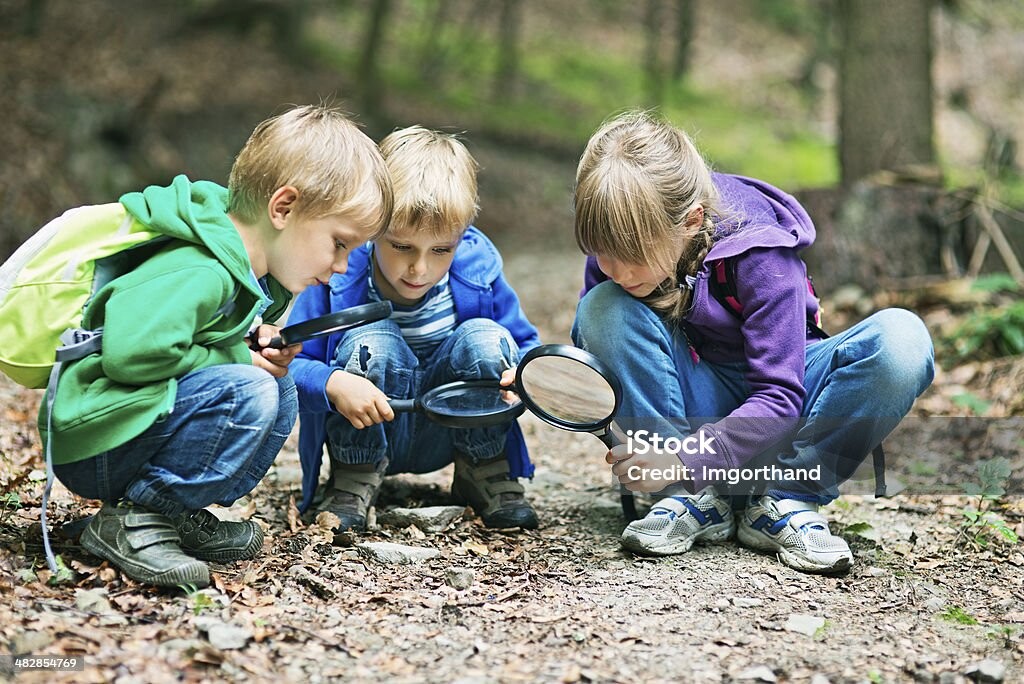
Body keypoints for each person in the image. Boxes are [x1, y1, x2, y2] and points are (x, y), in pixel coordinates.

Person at [45, 105, 393, 588]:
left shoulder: (242, 273)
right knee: (249, 389)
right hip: (96, 441)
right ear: (284, 208)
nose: (341, 265)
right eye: (339, 243)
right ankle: (133, 518)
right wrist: (237, 357)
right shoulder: (200, 267)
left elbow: (199, 345)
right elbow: (132, 355)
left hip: (129, 429)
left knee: (278, 387)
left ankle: (168, 512)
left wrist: (250, 342)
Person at [571, 111, 934, 574]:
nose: (616, 271)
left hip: (783, 409)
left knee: (903, 340)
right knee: (602, 307)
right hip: (694, 406)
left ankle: (784, 501)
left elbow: (780, 396)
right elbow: (604, 359)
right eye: (602, 253)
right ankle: (687, 502)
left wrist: (684, 459)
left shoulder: (760, 254)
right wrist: (549, 381)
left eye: (633, 256)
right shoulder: (616, 260)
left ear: (691, 221)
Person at [290, 126, 541, 535]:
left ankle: (483, 469)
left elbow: (526, 346)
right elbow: (292, 366)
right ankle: (354, 478)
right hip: (369, 425)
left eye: (441, 249)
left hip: (451, 428)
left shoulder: (477, 272)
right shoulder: (339, 277)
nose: (419, 269)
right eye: (402, 246)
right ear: (372, 229)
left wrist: (525, 375)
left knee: (485, 337)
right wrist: (333, 383)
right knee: (373, 339)